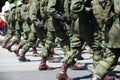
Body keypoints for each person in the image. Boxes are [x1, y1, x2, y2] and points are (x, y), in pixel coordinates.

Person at [91, 0, 120, 80]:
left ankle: (97, 75)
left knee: (111, 57)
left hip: (110, 30)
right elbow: (118, 9)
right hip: (117, 29)